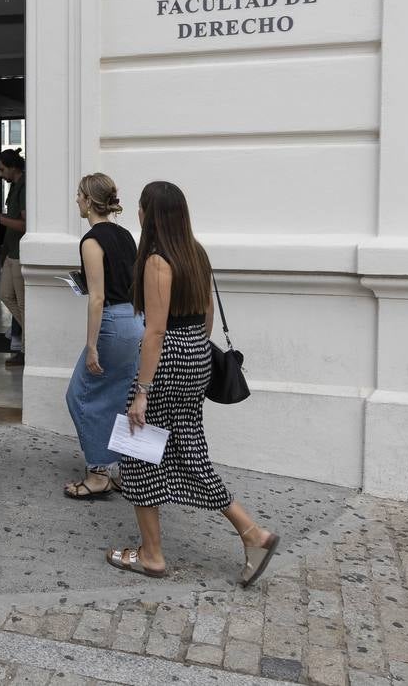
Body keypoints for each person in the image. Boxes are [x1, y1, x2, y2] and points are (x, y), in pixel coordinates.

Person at [107, 181, 279, 587]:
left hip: (165, 361)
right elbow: (206, 318)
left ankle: (152, 555)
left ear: (149, 214)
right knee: (186, 449)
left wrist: (142, 392)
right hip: (197, 356)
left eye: (140, 207)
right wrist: (193, 353)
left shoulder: (155, 260)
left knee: (137, 453)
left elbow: (154, 332)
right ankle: (251, 533)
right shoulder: (195, 253)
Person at [63, 173, 143, 500]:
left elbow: (97, 297)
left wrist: (92, 345)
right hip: (136, 319)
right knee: (120, 398)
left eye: (79, 195)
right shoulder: (125, 236)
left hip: (112, 321)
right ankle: (125, 471)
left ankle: (98, 472)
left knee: (79, 395)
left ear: (89, 200)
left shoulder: (92, 240)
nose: (76, 200)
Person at [0, 149, 26, 366]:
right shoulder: (15, 187)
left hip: (18, 252)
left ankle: (28, 347)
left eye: (1, 169)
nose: (0, 174)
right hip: (11, 251)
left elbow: (24, 224)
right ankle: (30, 335)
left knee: (19, 301)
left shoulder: (24, 187)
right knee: (6, 296)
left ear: (12, 166)